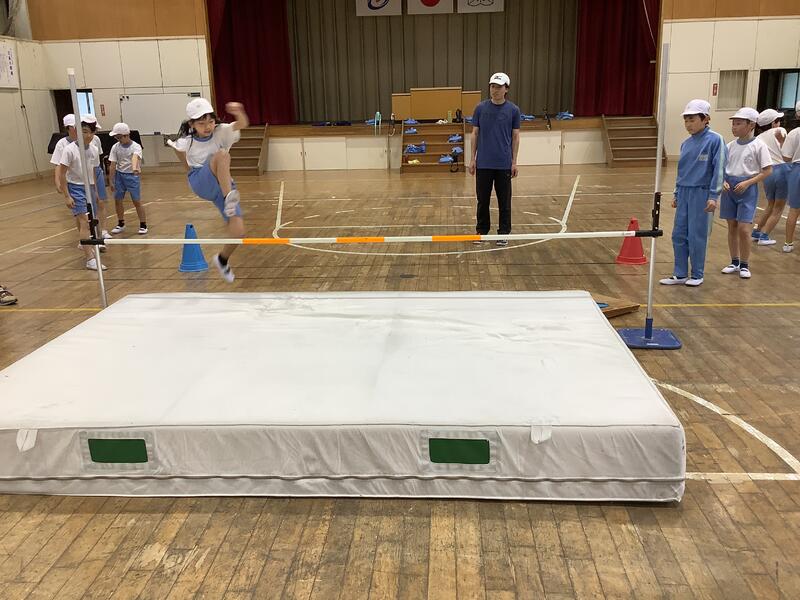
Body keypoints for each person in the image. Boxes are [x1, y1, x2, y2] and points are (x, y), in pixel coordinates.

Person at [169, 98, 248, 282]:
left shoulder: (221, 132)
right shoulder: (187, 141)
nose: (207, 127)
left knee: (238, 231)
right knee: (222, 154)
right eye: (201, 123)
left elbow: (242, 124)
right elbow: (177, 150)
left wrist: (239, 112)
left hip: (222, 183)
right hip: (201, 180)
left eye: (211, 122)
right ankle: (229, 198)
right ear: (191, 124)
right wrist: (188, 171)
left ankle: (222, 260)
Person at [659, 99, 725, 287]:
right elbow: (682, 171)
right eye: (686, 120)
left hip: (702, 193)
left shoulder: (715, 140)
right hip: (684, 192)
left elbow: (719, 169)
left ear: (705, 119)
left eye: (692, 119)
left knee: (697, 235)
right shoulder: (685, 144)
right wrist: (676, 193)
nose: (688, 124)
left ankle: (697, 274)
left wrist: (713, 196)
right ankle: (680, 273)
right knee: (678, 234)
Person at [468, 72, 520, 246]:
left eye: (499, 87)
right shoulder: (480, 108)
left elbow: (515, 137)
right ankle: (481, 231)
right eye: (492, 86)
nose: (495, 90)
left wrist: (514, 162)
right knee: (482, 200)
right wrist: (472, 159)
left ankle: (504, 232)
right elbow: (475, 134)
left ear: (506, 89)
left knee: (504, 201)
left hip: (503, 164)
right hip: (483, 163)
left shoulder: (513, 110)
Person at [719, 107, 772, 280]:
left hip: (747, 189)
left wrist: (748, 182)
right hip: (729, 189)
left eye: (738, 123)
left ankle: (744, 264)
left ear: (751, 125)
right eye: (733, 124)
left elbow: (767, 170)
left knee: (744, 229)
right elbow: (721, 168)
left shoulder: (759, 145)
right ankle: (734, 261)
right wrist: (723, 181)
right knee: (732, 226)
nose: (734, 127)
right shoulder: (729, 146)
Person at [55, 119, 107, 271]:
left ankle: (91, 247)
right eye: (83, 131)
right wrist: (67, 195)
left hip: (89, 187)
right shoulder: (69, 150)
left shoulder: (94, 149)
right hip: (75, 187)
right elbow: (62, 173)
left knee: (93, 220)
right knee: (84, 221)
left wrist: (95, 191)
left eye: (89, 132)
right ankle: (90, 259)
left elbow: (93, 171)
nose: (86, 135)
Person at [750, 108, 787, 245]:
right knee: (779, 207)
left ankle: (757, 230)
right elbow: (786, 152)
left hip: (767, 172)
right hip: (782, 170)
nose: (779, 123)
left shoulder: (758, 138)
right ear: (773, 123)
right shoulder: (780, 131)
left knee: (770, 204)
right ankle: (764, 236)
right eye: (777, 120)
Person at [108, 122, 147, 235]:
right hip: (119, 176)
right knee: (118, 200)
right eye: (117, 138)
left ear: (126, 135)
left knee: (136, 201)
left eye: (119, 137)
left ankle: (143, 224)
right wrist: (111, 180)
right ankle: (121, 223)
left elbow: (135, 157)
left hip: (132, 176)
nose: (118, 140)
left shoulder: (136, 146)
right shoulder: (115, 147)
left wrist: (134, 168)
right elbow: (113, 164)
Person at [782, 101, 800, 253]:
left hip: (797, 170)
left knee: (794, 209)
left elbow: (786, 157)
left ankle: (788, 243)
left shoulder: (794, 133)